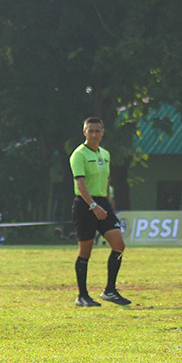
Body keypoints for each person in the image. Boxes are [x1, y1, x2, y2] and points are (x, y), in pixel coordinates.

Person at [69, 117, 130, 307]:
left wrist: (107, 205)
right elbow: (80, 183)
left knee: (119, 245)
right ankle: (82, 295)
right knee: (85, 252)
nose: (94, 134)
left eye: (97, 131)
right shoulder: (78, 154)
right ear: (84, 132)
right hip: (85, 205)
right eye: (90, 130)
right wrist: (93, 206)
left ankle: (110, 290)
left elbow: (107, 180)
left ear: (103, 132)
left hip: (103, 204)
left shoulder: (105, 154)